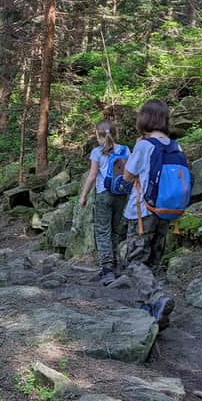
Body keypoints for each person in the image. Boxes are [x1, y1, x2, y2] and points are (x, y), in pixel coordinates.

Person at [122, 99, 176, 329]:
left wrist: (135, 149)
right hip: (167, 209)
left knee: (134, 261)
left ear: (145, 118)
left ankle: (157, 298)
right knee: (151, 261)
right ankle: (148, 307)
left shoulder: (144, 146)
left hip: (143, 211)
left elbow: (127, 176)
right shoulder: (174, 145)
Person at [78, 120, 130, 286]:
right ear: (116, 134)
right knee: (116, 231)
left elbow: (92, 176)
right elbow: (130, 172)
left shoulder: (96, 152)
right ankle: (116, 266)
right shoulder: (125, 149)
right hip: (121, 194)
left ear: (98, 135)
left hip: (103, 194)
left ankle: (107, 270)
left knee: (102, 232)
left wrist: (83, 195)